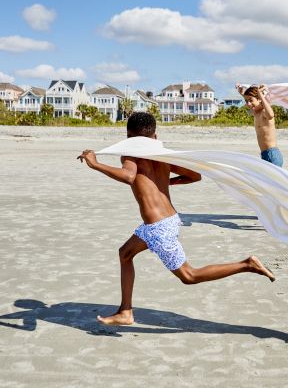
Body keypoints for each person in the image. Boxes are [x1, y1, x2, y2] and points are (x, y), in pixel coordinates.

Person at [77, 112, 275, 326]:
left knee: (189, 276)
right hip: (167, 220)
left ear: (128, 136)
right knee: (125, 254)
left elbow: (128, 176)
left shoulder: (130, 155)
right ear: (155, 135)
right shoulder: (162, 155)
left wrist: (94, 164)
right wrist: (164, 183)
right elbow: (194, 176)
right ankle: (125, 311)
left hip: (158, 228)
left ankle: (246, 265)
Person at [237, 84, 283, 167]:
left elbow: (271, 115)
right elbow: (252, 101)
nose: (249, 104)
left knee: (270, 180)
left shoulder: (264, 112)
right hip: (264, 154)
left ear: (260, 99)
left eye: (251, 100)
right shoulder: (256, 113)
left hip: (272, 154)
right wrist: (242, 93)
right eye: (246, 101)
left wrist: (260, 93)